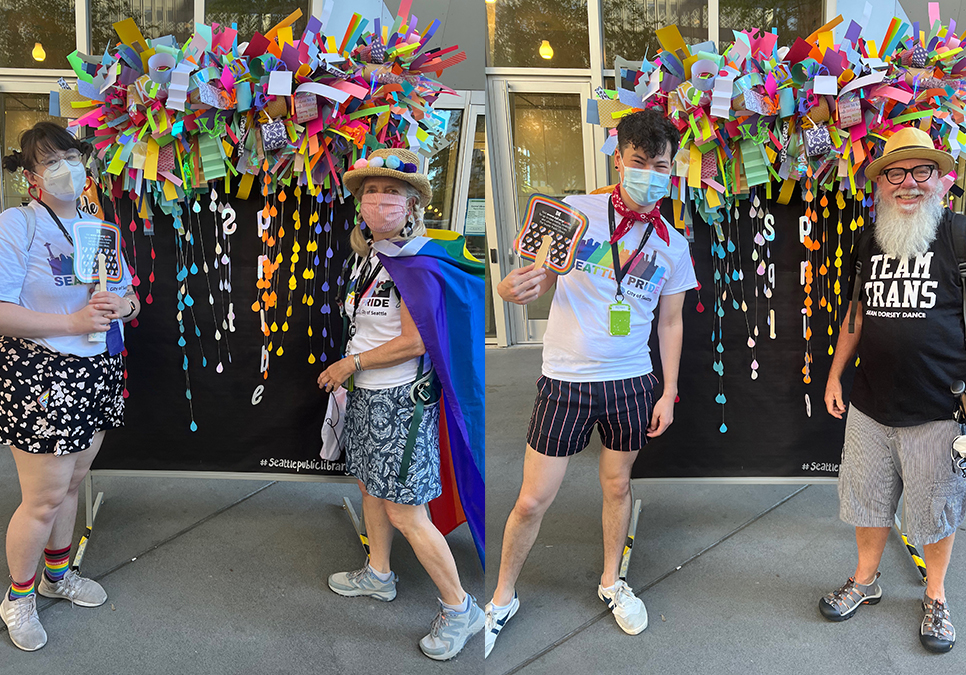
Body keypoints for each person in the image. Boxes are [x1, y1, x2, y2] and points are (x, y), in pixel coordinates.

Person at [485, 109, 697, 657]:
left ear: (672, 169)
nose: (648, 173)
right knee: (532, 499)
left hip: (631, 383)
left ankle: (611, 581)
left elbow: (671, 322)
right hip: (565, 382)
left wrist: (668, 391)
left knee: (617, 486)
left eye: (660, 165)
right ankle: (502, 597)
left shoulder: (672, 243)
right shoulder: (574, 212)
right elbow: (531, 274)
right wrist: (512, 289)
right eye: (638, 161)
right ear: (618, 157)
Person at [317, 147, 484, 660]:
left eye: (390, 192)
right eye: (370, 192)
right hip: (369, 397)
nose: (378, 201)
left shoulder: (420, 260)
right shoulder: (373, 256)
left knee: (408, 511)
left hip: (401, 401)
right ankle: (380, 574)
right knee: (369, 486)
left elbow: (417, 341)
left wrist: (351, 365)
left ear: (412, 203)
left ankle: (462, 610)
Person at [821, 126, 965, 653]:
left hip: (938, 406)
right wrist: (836, 374)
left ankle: (936, 595)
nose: (908, 184)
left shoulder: (959, 236)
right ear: (880, 185)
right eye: (895, 173)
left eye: (920, 171)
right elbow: (856, 313)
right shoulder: (869, 238)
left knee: (935, 510)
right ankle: (865, 581)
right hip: (870, 403)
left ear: (941, 180)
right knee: (867, 501)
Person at [0, 121, 138, 651]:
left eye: (72, 156)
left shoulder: (98, 228)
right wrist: (74, 323)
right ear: (31, 175)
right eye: (51, 161)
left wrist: (120, 306)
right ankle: (18, 597)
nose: (66, 169)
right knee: (42, 498)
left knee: (74, 484)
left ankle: (58, 577)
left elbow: (128, 299)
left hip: (96, 370)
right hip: (41, 373)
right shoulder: (18, 225)